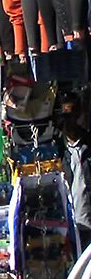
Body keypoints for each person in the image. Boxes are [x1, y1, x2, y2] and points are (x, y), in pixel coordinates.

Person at [60, 93, 91, 248]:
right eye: (65, 116)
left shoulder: (87, 146)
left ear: (79, 115)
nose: (68, 121)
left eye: (71, 115)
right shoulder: (59, 151)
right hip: (71, 228)